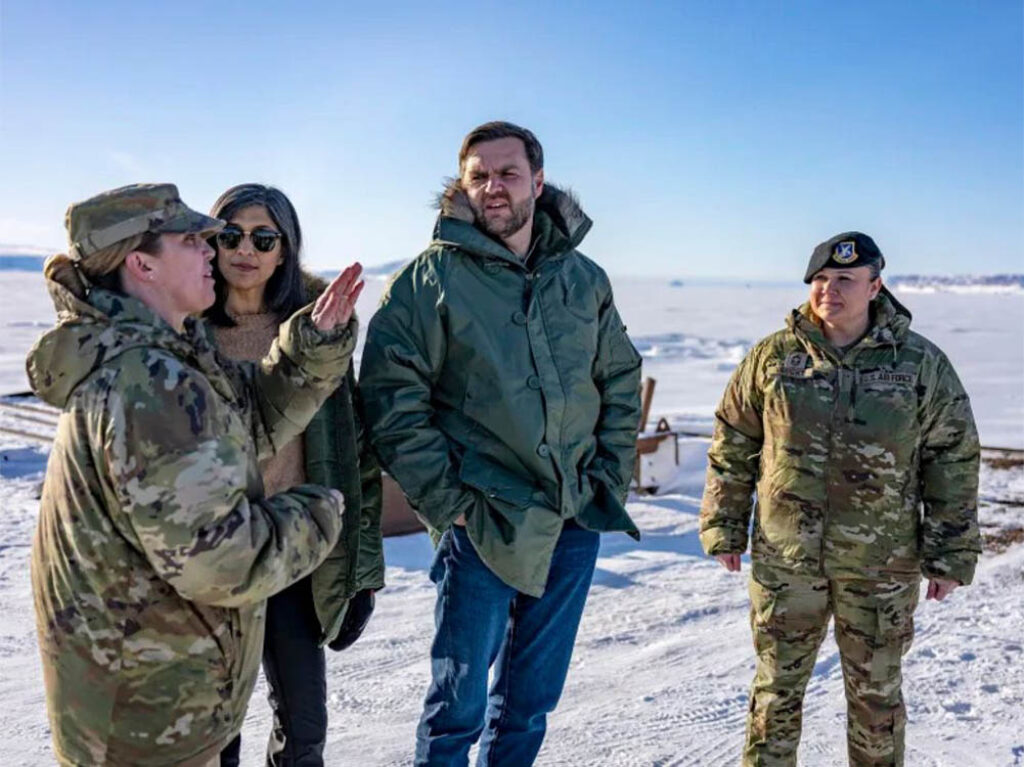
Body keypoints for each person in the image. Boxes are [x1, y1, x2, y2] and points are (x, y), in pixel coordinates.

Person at [27, 183, 364, 767]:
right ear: (142, 264)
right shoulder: (149, 383)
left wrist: (308, 351)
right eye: (195, 240)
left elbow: (247, 424)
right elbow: (221, 561)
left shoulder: (164, 356)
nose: (215, 250)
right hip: (149, 717)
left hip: (152, 695)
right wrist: (317, 514)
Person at [359, 121, 643, 766]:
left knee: (531, 703)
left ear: (538, 184)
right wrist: (447, 499)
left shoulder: (583, 278)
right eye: (479, 175)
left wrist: (608, 473)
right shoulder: (427, 281)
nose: (493, 187)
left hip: (573, 513)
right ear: (462, 185)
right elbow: (390, 399)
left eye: (508, 173)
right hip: (482, 519)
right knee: (456, 708)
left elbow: (620, 377)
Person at [699, 231, 981, 767]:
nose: (830, 290)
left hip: (882, 566)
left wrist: (951, 553)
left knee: (876, 701)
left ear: (875, 286)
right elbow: (734, 439)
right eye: (821, 280)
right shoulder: (773, 358)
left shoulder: (919, 364)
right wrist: (723, 523)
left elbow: (953, 457)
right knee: (775, 694)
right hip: (787, 562)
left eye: (845, 280)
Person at [206, 183, 384, 767]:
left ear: (284, 249)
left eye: (263, 237)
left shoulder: (318, 333)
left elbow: (352, 452)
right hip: (213, 558)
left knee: (304, 726)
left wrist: (361, 570)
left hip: (293, 551)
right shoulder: (187, 332)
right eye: (231, 234)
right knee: (212, 731)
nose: (245, 250)